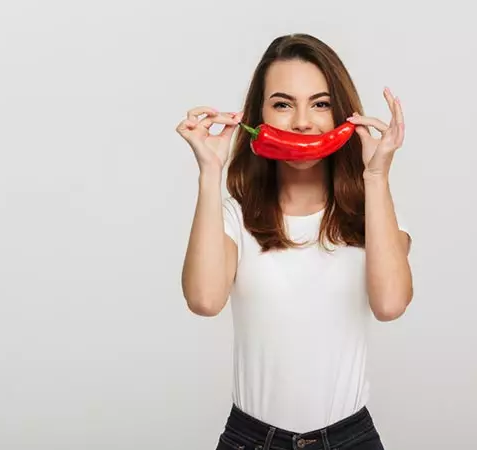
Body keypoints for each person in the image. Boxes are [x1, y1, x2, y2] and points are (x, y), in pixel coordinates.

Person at [176, 33, 413, 450]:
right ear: (258, 116)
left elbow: (391, 304)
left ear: (342, 114)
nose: (303, 121)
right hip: (251, 439)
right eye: (283, 104)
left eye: (320, 104)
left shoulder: (371, 213)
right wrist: (209, 173)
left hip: (349, 439)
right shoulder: (235, 216)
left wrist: (376, 178)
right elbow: (204, 300)